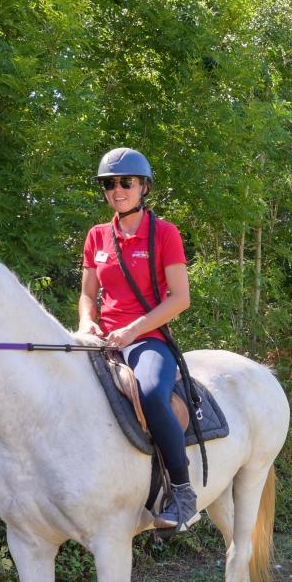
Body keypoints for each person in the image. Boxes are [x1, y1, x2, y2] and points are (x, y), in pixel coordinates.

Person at [79, 146, 197, 531]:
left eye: (125, 182)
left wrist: (133, 330)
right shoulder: (97, 237)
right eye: (109, 184)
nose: (117, 190)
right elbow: (87, 294)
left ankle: (181, 492)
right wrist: (86, 323)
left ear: (143, 186)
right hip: (104, 340)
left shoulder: (164, 233)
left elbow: (180, 298)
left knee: (149, 393)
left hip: (148, 339)